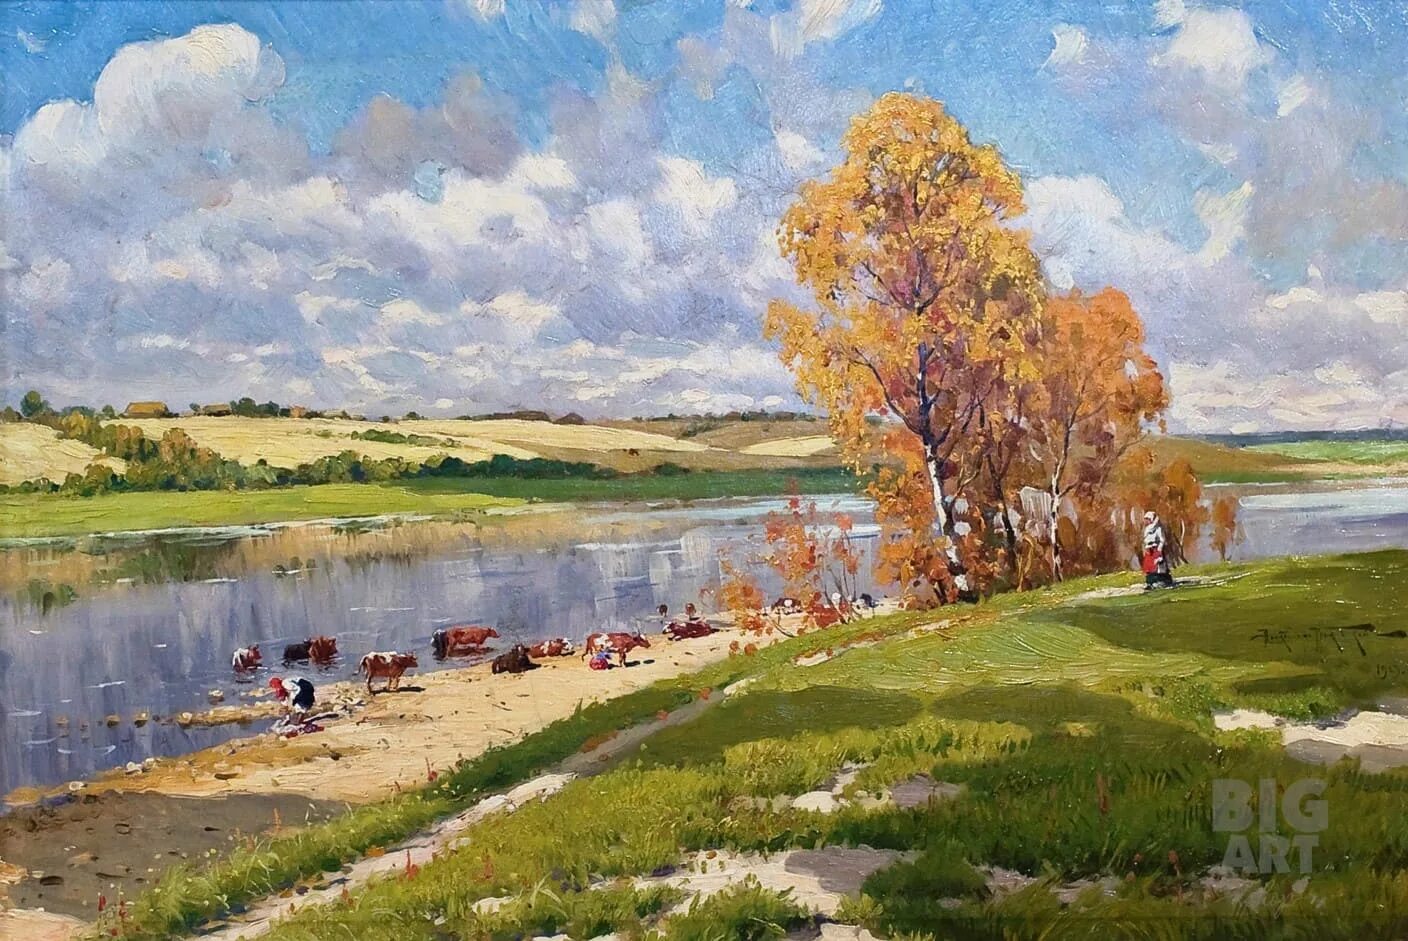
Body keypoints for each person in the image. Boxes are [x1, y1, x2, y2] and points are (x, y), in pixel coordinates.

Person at [1141, 511, 1175, 589]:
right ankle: (1150, 582)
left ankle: (1161, 580)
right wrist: (1147, 547)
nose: (1147, 521)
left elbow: (1162, 540)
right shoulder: (1147, 529)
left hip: (1156, 549)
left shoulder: (1158, 528)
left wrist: (1159, 550)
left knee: (1158, 565)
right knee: (1149, 566)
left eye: (1148, 519)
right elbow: (1146, 540)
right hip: (1149, 550)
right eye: (1146, 519)